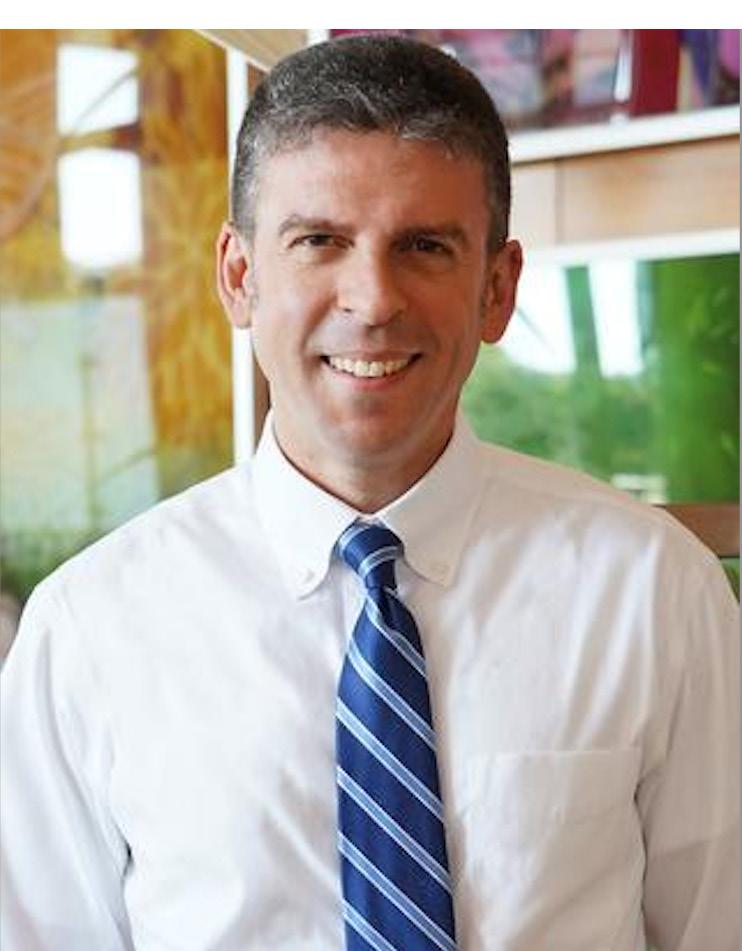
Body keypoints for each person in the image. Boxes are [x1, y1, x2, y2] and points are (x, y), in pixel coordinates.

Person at [1, 34, 738, 951]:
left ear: (497, 287)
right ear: (239, 275)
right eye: (320, 241)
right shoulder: (88, 631)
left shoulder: (654, 591)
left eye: (424, 246)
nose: (374, 298)